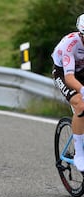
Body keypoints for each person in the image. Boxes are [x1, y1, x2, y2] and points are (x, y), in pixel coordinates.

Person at [52, 13, 84, 172]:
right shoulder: (70, 44)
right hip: (63, 73)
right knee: (80, 104)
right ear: (81, 34)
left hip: (82, 71)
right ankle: (79, 153)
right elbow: (70, 78)